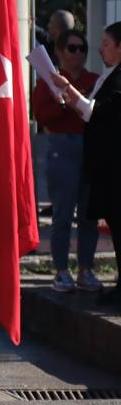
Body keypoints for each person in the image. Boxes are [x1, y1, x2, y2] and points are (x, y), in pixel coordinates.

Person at [51, 20, 121, 305]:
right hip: (104, 165)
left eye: (106, 44)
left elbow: (97, 114)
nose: (100, 49)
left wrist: (69, 89)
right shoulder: (109, 75)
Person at [32, 29, 101, 293]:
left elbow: (94, 114)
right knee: (62, 214)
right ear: (60, 52)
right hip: (62, 146)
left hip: (89, 148)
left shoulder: (93, 79)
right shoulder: (49, 81)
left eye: (82, 48)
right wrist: (66, 103)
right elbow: (42, 114)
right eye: (72, 48)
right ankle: (61, 271)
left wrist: (74, 100)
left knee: (89, 215)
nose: (78, 53)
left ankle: (86, 269)